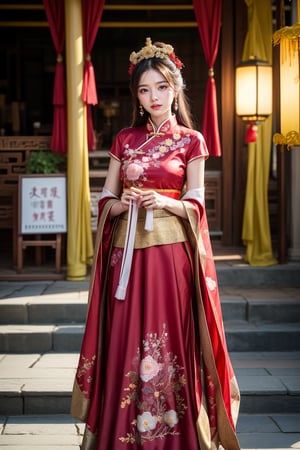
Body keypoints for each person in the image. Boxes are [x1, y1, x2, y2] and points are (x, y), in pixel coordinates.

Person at [71, 37, 240, 450]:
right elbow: (104, 199)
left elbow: (197, 202)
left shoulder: (191, 140)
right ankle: (118, 433)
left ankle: (177, 436)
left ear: (176, 87)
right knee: (126, 337)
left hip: (170, 257)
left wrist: (165, 201)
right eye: (145, 90)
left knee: (166, 337)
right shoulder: (124, 139)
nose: (153, 97)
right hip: (125, 254)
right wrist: (120, 201)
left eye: (161, 87)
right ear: (138, 96)